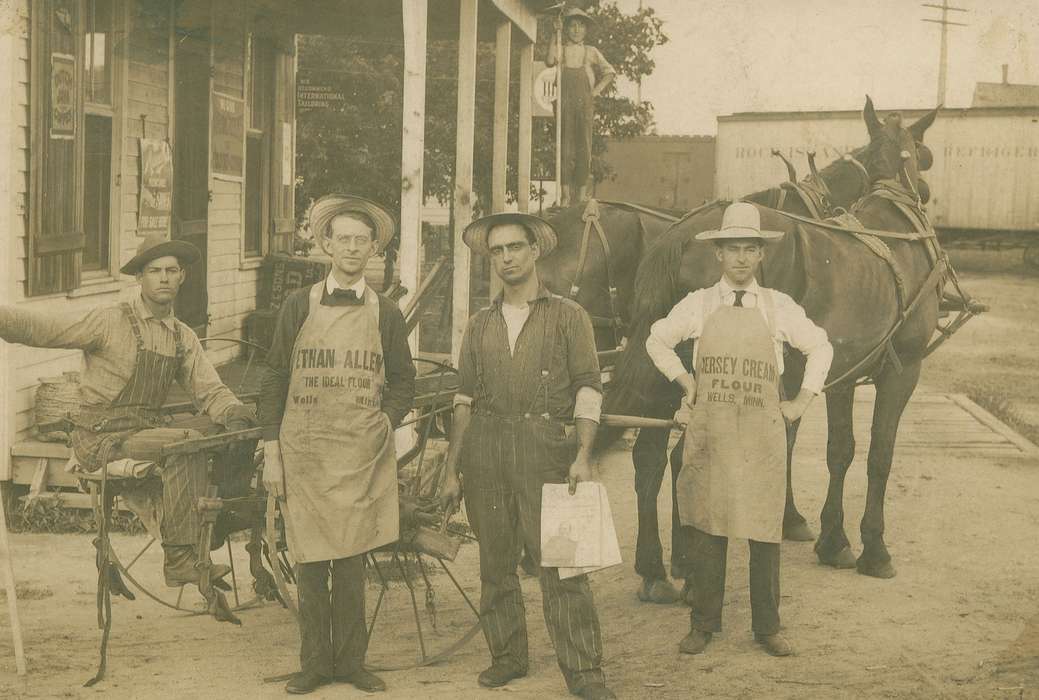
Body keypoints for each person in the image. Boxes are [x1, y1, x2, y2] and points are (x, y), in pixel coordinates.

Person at [0, 234, 255, 589]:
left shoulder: (181, 336)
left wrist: (235, 413)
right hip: (101, 438)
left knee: (231, 426)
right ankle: (180, 559)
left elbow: (210, 390)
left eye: (172, 270)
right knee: (187, 440)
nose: (164, 278)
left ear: (182, 277)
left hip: (142, 431)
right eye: (154, 271)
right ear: (140, 278)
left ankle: (218, 518)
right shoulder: (109, 321)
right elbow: (44, 330)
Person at [645, 202, 834, 657]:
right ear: (719, 255)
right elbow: (656, 338)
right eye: (734, 250)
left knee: (764, 530)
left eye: (751, 250)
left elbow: (821, 346)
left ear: (761, 255)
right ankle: (703, 623)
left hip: (761, 436)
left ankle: (767, 626)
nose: (742, 259)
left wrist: (802, 401)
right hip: (711, 433)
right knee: (709, 527)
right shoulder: (699, 304)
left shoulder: (778, 307)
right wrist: (687, 382)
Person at [439, 212, 615, 700]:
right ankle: (508, 656)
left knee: (563, 564)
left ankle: (583, 670)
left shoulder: (567, 316)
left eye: (515, 247)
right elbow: (465, 400)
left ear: (536, 250)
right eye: (496, 251)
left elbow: (588, 387)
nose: (506, 258)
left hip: (547, 452)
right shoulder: (480, 324)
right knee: (495, 564)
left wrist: (583, 452)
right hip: (487, 454)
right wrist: (454, 469)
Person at [259, 194, 416, 695]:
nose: (351, 248)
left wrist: (384, 423)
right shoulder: (296, 305)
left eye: (361, 240)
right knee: (309, 561)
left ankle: (350, 663)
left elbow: (404, 381)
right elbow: (274, 376)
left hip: (358, 453)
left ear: (374, 249)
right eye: (342, 238)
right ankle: (313, 665)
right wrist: (272, 449)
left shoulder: (386, 312)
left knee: (351, 561)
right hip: (305, 451)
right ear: (326, 244)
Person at [546, 7, 616, 207]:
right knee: (565, 148)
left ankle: (582, 194)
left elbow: (609, 72)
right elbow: (550, 61)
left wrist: (595, 91)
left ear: (586, 30)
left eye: (580, 26)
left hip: (584, 103)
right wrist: (554, 33)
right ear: (567, 29)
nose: (576, 30)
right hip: (564, 101)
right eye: (572, 26)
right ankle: (566, 195)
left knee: (583, 147)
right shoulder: (561, 47)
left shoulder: (591, 51)